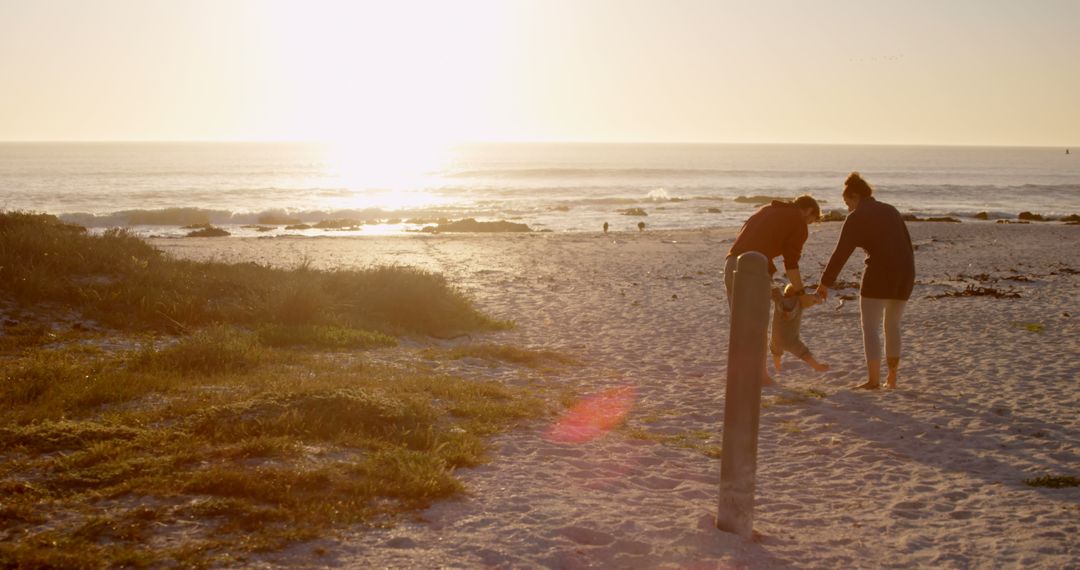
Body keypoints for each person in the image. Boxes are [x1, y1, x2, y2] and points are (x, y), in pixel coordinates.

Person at [816, 172, 914, 390]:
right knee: (892, 325)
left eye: (847, 202)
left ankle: (873, 380)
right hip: (906, 274)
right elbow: (907, 245)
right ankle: (892, 379)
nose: (848, 208)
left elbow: (841, 253)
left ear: (855, 196)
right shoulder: (890, 210)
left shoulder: (858, 216)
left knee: (870, 327)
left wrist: (824, 283)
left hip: (878, 274)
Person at [725, 195, 821, 385]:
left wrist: (769, 287)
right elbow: (791, 263)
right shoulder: (798, 221)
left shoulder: (766, 210)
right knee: (757, 326)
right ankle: (761, 376)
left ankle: (738, 374)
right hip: (753, 267)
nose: (810, 224)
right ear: (809, 210)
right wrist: (801, 295)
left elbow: (755, 242)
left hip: (731, 264)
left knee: (740, 325)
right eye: (812, 220)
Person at [771, 284, 829, 373]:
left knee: (776, 353)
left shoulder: (779, 299)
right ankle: (817, 366)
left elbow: (771, 291)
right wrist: (818, 296)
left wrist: (774, 288)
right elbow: (811, 299)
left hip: (777, 337)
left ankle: (778, 369)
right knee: (803, 353)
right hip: (791, 339)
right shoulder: (799, 302)